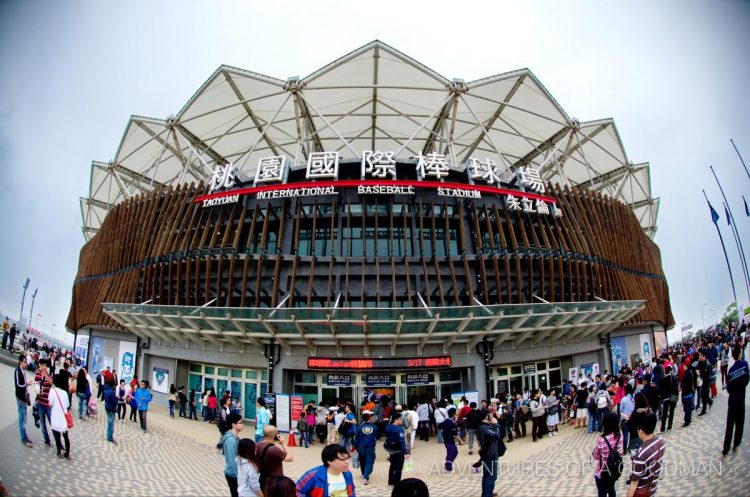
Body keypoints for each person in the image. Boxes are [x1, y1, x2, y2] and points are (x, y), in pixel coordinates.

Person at [627, 412, 666, 497]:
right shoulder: (661, 443)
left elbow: (634, 483)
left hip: (642, 492)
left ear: (641, 430)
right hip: (652, 488)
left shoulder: (640, 455)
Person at [723, 346, 749, 457]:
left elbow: (728, 389)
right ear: (739, 354)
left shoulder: (730, 370)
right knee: (740, 423)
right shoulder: (745, 365)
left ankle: (725, 450)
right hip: (740, 399)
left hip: (732, 400)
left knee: (730, 425)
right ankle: (736, 444)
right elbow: (747, 379)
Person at [592, 412, 624, 497]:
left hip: (603, 471)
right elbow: (621, 450)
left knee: (602, 493)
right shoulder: (620, 434)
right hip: (614, 468)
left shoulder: (601, 439)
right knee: (611, 489)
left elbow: (595, 455)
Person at [477, 408, 505, 497]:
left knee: (487, 475)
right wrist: (496, 425)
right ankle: (487, 494)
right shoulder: (484, 427)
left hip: (488, 453)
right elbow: (496, 435)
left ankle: (486, 493)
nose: (493, 416)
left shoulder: (486, 425)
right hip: (490, 454)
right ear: (487, 416)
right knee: (492, 476)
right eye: (491, 415)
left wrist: (495, 424)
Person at [256, 425, 294, 490]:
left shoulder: (257, 444)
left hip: (262, 479)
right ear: (275, 435)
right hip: (274, 482)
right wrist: (283, 444)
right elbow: (290, 458)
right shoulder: (274, 450)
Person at [220, 413, 244, 497]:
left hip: (234, 473)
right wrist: (239, 476)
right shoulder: (231, 440)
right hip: (233, 474)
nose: (242, 425)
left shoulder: (234, 437)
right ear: (234, 425)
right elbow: (232, 460)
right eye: (240, 423)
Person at [49, 373, 71, 459]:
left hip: (56, 416)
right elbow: (67, 405)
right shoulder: (65, 393)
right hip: (64, 417)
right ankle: (67, 453)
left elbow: (50, 404)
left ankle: (59, 452)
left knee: (57, 435)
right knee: (66, 436)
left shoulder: (52, 391)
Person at [384, 413, 410, 486]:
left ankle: (390, 481)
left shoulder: (388, 427)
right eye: (400, 419)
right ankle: (396, 483)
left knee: (392, 465)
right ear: (396, 420)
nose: (402, 420)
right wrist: (406, 452)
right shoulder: (399, 429)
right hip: (398, 450)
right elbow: (402, 441)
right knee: (399, 467)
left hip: (391, 450)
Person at [353, 410, 378, 485]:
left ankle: (364, 473)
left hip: (361, 447)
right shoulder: (374, 428)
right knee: (369, 462)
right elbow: (378, 436)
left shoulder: (359, 428)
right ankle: (366, 477)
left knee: (362, 461)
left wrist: (356, 447)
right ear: (369, 418)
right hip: (370, 447)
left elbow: (356, 439)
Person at [14, 355, 33, 447]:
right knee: (22, 418)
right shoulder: (17, 371)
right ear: (20, 362)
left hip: (24, 398)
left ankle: (25, 435)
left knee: (24, 418)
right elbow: (18, 385)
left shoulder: (23, 371)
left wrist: (26, 385)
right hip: (20, 398)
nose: (26, 364)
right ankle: (23, 438)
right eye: (25, 362)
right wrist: (26, 384)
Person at [34, 358, 53, 447]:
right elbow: (36, 388)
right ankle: (47, 439)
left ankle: (58, 442)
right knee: (43, 424)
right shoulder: (37, 375)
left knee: (52, 424)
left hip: (48, 404)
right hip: (40, 403)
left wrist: (45, 374)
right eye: (43, 365)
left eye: (45, 365)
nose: (44, 367)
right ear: (40, 365)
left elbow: (51, 382)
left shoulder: (48, 375)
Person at [440, 407, 463, 472]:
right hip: (450, 440)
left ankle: (447, 465)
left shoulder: (446, 421)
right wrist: (461, 440)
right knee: (454, 452)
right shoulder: (451, 423)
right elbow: (455, 434)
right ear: (453, 414)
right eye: (456, 413)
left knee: (449, 452)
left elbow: (439, 426)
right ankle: (448, 466)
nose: (456, 414)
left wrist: (445, 430)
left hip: (446, 440)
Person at [658, 366, 678, 432]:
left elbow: (660, 390)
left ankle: (662, 428)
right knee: (671, 412)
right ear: (670, 371)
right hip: (672, 397)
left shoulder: (663, 380)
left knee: (665, 413)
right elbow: (676, 389)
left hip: (665, 398)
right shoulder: (673, 378)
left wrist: (662, 398)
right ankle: (670, 426)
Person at [680, 358, 696, 427]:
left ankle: (687, 421)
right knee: (687, 408)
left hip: (687, 393)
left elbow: (684, 384)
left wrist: (681, 386)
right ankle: (688, 420)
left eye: (683, 365)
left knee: (687, 408)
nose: (683, 367)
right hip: (688, 392)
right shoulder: (689, 372)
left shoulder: (687, 373)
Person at [103, 374, 118, 444]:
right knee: (111, 423)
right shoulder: (111, 392)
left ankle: (108, 435)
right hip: (111, 408)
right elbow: (114, 401)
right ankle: (110, 437)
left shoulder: (105, 389)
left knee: (109, 422)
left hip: (107, 407)